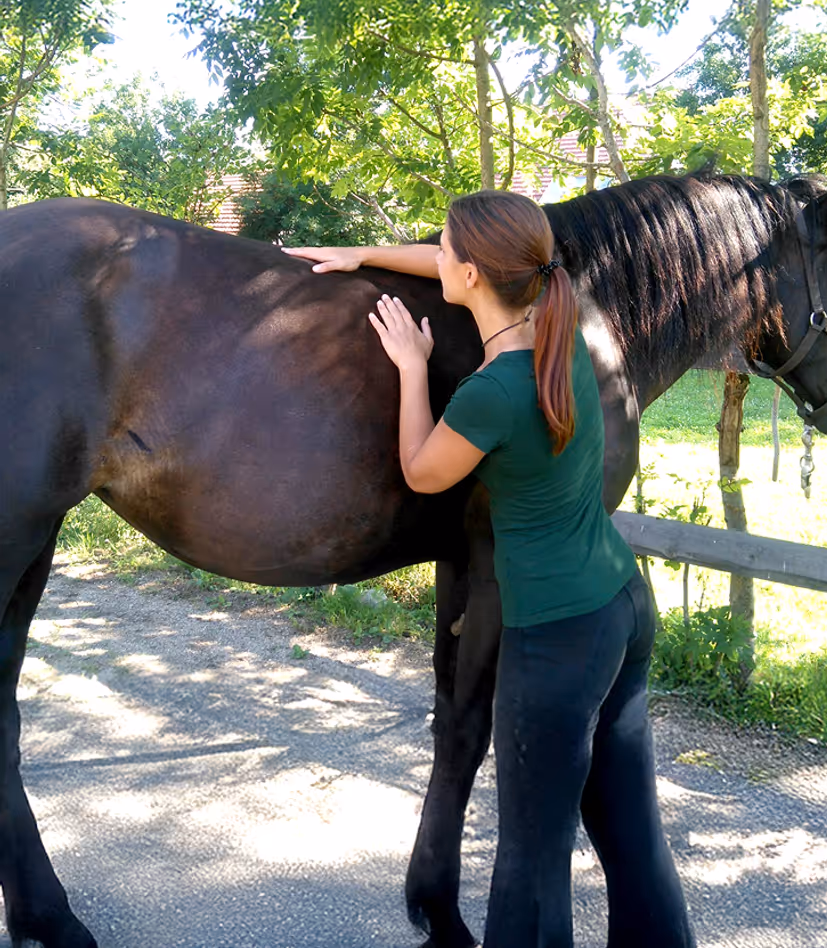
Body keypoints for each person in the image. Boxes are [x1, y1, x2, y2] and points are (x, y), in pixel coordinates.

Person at [284, 190, 695, 948]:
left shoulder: (492, 392)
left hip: (557, 639)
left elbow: (421, 471)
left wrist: (411, 365)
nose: (432, 256)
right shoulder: (564, 329)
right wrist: (366, 255)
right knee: (632, 834)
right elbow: (466, 265)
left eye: (442, 250)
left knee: (532, 862)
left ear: (471, 274)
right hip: (621, 605)